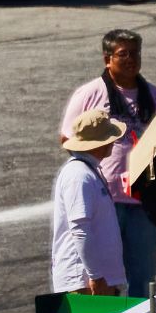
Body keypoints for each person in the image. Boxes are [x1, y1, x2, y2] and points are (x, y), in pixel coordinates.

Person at [58, 30, 156, 297]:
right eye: (123, 54)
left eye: (135, 53)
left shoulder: (153, 95)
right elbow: (67, 138)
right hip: (106, 201)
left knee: (143, 276)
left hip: (142, 200)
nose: (131, 59)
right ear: (107, 59)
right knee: (105, 278)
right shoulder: (89, 93)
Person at [51, 111, 129, 296]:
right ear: (100, 144)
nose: (113, 143)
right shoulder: (79, 175)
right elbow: (80, 229)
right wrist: (96, 276)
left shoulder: (87, 171)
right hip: (87, 283)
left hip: (93, 280)